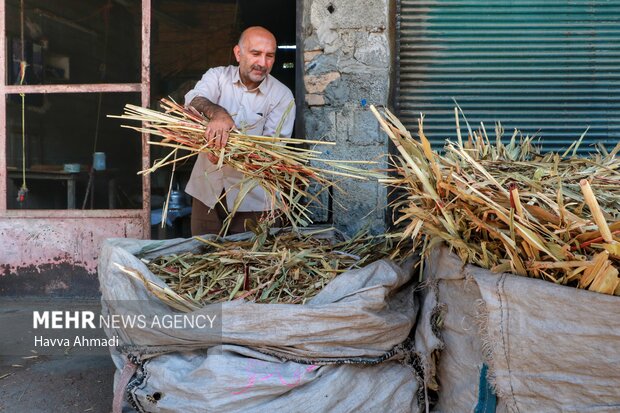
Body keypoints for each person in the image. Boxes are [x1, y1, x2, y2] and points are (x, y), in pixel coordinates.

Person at [184, 26, 295, 236]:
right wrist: (217, 114)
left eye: (269, 56)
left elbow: (272, 152)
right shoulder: (217, 77)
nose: (262, 63)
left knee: (247, 262)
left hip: (253, 200)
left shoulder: (282, 96)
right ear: (238, 53)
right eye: (255, 54)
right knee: (201, 256)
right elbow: (192, 99)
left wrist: (225, 153)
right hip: (206, 192)